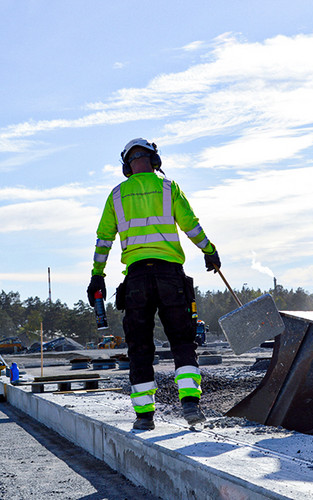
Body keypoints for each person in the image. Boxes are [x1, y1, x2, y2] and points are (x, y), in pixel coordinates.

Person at [87, 138, 220, 431]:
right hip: (170, 275)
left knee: (139, 347)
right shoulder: (168, 188)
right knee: (182, 341)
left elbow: (103, 239)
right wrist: (209, 251)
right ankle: (190, 403)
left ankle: (145, 416)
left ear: (126, 166)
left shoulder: (117, 196)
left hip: (136, 280)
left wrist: (98, 274)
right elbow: (191, 225)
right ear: (155, 160)